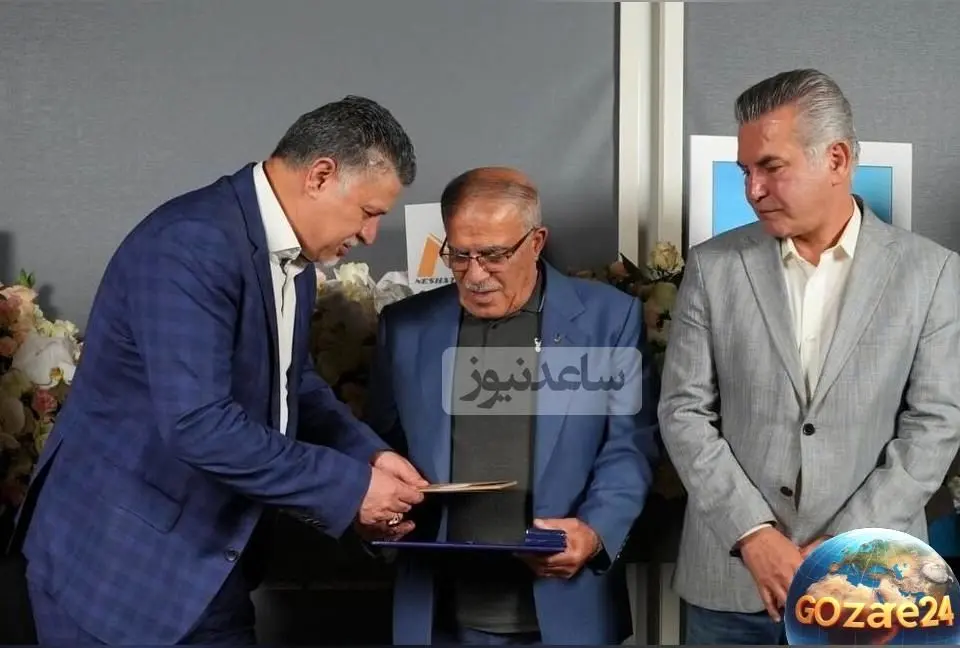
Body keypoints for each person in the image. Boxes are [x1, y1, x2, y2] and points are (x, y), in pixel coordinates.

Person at [19, 95, 430, 645]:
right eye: (369, 212)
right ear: (320, 176)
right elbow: (198, 424)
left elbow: (294, 385)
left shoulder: (295, 260)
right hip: (116, 571)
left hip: (212, 567)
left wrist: (368, 455)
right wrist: (351, 488)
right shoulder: (190, 243)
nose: (371, 235)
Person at [658, 68, 960, 645]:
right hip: (732, 583)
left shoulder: (932, 272)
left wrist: (842, 551)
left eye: (770, 167)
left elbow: (935, 425)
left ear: (837, 159)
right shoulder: (713, 266)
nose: (753, 189)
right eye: (746, 171)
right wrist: (753, 534)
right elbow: (683, 411)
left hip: (872, 588)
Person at [366, 167, 660, 645]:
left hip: (565, 606)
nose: (475, 274)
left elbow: (628, 446)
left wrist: (594, 532)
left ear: (536, 241)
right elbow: (380, 446)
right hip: (438, 608)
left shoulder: (608, 319)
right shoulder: (404, 327)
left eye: (494, 255)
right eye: (459, 255)